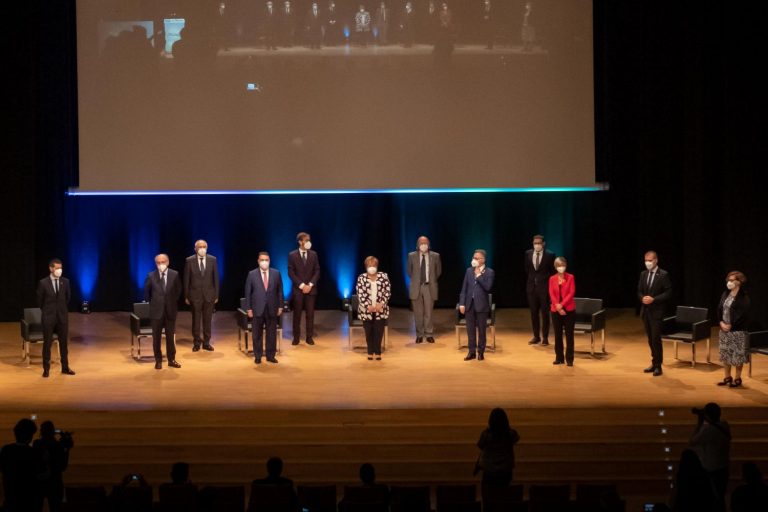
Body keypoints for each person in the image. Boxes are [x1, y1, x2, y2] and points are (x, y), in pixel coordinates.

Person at [36, 258, 76, 378]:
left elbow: (68, 298)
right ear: (51, 268)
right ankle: (46, 369)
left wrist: (60, 310)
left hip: (62, 318)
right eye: (57, 268)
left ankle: (65, 367)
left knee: (64, 344)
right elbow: (39, 301)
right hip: (48, 318)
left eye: (60, 268)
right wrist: (49, 312)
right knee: (47, 344)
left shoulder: (66, 282)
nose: (59, 270)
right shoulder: (43, 283)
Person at [689, 403, 731, 511]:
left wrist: (699, 423)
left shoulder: (707, 430)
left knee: (711, 498)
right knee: (720, 496)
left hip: (710, 469)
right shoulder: (725, 425)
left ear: (707, 415)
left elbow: (692, 441)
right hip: (724, 467)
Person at [144, 254, 182, 370]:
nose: (161, 264)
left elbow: (178, 291)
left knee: (170, 337)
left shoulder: (174, 274)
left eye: (163, 261)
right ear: (156, 264)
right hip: (156, 312)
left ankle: (171, 360)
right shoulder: (151, 276)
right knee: (157, 338)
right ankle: (158, 360)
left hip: (170, 311)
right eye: (158, 262)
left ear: (168, 262)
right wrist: (156, 303)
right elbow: (147, 294)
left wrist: (170, 303)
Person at [637, 250, 672, 376]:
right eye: (646, 261)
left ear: (656, 260)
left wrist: (654, 299)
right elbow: (639, 291)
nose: (648, 263)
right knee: (650, 339)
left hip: (657, 312)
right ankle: (654, 362)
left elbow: (668, 293)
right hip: (645, 312)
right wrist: (642, 298)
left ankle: (658, 366)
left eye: (650, 261)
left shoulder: (663, 275)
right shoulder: (643, 274)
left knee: (656, 339)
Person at [245, 252, 284, 364]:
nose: (264, 262)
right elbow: (248, 293)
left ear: (269, 261)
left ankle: (270, 355)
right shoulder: (252, 274)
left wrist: (280, 306)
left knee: (271, 333)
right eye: (262, 260)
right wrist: (249, 309)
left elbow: (280, 291)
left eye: (266, 260)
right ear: (258, 261)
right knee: (257, 333)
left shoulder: (276, 273)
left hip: (272, 308)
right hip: (257, 308)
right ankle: (258, 356)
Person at [184, 240, 220, 352]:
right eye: (200, 247)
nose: (202, 249)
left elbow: (216, 279)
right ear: (195, 249)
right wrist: (186, 296)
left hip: (209, 295)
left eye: (204, 246)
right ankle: (196, 343)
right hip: (195, 296)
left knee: (207, 320)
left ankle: (206, 342)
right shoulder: (189, 261)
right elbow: (186, 280)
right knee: (196, 320)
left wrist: (216, 295)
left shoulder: (212, 259)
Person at [459, 249, 495, 361]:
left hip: (482, 306)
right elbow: (464, 288)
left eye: (477, 258)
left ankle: (481, 352)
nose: (474, 260)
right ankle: (471, 352)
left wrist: (479, 275)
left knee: (482, 331)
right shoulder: (469, 271)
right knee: (470, 330)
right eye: (473, 257)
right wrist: (462, 303)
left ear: (483, 260)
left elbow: (487, 287)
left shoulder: (489, 272)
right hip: (469, 305)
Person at [0, 419, 43, 512]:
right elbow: (39, 475)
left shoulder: (6, 450)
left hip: (10, 499)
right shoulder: (33, 453)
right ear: (30, 436)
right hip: (29, 501)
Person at [716, 271, 750, 388]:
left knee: (737, 355)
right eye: (728, 280)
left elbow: (743, 315)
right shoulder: (725, 294)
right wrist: (721, 322)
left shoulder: (743, 297)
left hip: (737, 331)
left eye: (732, 280)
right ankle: (727, 377)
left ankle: (737, 378)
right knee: (726, 354)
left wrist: (731, 326)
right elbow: (719, 309)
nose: (729, 282)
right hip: (724, 330)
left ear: (739, 282)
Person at [407, 236, 441, 344]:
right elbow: (409, 271)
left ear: (429, 244)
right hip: (416, 286)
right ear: (417, 244)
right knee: (418, 312)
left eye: (425, 243)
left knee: (428, 312)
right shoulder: (411, 256)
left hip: (429, 286)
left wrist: (430, 280)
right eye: (421, 243)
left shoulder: (435, 256)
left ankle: (429, 334)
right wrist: (417, 281)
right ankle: (419, 335)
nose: (423, 245)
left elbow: (438, 271)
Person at [476, 408, 520, 493]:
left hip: (489, 471)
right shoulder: (510, 434)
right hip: (505, 470)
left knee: (488, 494)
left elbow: (480, 445)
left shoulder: (486, 435)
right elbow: (516, 438)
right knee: (504, 494)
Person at [355, 256, 391, 360]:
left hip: (381, 310)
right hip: (367, 311)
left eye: (374, 265)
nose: (372, 267)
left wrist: (381, 304)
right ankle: (370, 351)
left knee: (379, 331)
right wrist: (368, 306)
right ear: (366, 266)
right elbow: (360, 293)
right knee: (369, 332)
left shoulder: (384, 276)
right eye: (369, 265)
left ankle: (378, 352)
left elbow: (387, 292)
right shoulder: (361, 278)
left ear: (377, 266)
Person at [288, 232, 320, 346]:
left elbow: (317, 271)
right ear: (300, 242)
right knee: (297, 314)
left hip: (311, 290)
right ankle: (296, 337)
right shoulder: (292, 255)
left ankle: (309, 337)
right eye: (305, 240)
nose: (308, 242)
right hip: (298, 290)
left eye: (308, 240)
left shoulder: (314, 254)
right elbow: (291, 273)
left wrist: (310, 285)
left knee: (310, 314)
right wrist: (301, 285)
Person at [33, 421, 73, 512]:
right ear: (53, 432)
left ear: (41, 432)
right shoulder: (58, 446)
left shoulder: (37, 444)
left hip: (39, 483)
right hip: (55, 483)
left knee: (37, 507)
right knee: (56, 508)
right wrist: (66, 447)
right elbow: (63, 466)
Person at [525, 235, 555, 346]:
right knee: (533, 313)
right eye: (535, 243)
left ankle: (545, 337)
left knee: (545, 314)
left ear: (543, 243)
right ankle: (536, 336)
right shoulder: (528, 253)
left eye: (538, 243)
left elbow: (552, 272)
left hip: (544, 289)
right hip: (531, 288)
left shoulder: (550, 255)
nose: (536, 245)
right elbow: (527, 269)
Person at [549, 256, 576, 366]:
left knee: (569, 335)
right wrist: (558, 307)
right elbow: (552, 294)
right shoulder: (552, 279)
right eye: (559, 266)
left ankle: (569, 359)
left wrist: (562, 305)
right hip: (556, 311)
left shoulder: (570, 277)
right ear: (555, 267)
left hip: (569, 309)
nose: (561, 267)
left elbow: (571, 293)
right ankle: (559, 358)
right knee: (557, 335)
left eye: (563, 265)